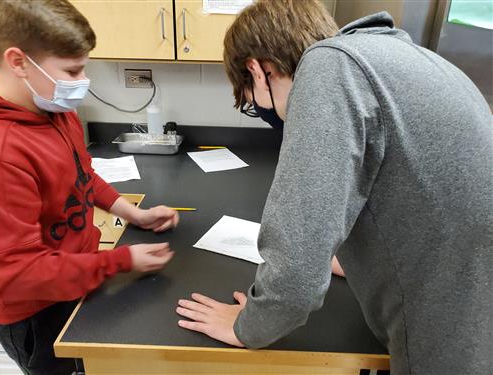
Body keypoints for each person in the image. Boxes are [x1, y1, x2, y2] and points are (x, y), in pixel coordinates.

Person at [176, 1, 492, 374]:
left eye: (252, 103)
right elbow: (407, 183)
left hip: (447, 324)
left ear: (258, 71)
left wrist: (250, 326)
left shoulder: (327, 68)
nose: (264, 113)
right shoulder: (399, 56)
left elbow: (297, 266)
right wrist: (356, 259)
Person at [0, 1, 178, 374]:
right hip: (34, 309)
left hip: (78, 276)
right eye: (72, 70)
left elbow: (82, 175)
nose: (81, 82)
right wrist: (121, 261)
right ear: (18, 62)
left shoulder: (55, 110)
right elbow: (19, 273)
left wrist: (131, 213)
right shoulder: (2, 154)